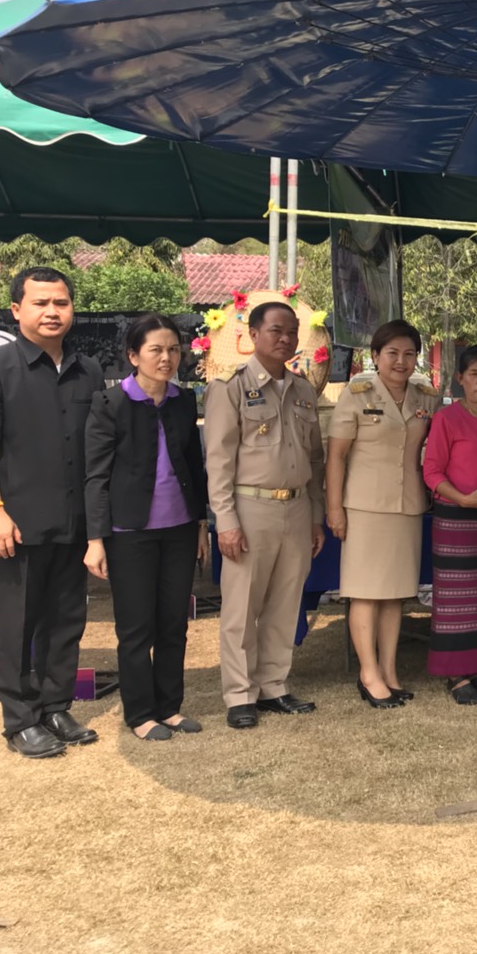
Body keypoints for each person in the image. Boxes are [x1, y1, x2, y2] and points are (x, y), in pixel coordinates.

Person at [0, 267, 103, 758]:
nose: (52, 312)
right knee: (16, 625)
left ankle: (55, 705)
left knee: (66, 620)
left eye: (62, 303)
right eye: (41, 302)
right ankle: (20, 719)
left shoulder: (87, 370)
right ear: (16, 310)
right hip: (14, 523)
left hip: (73, 521)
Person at [83, 314, 208, 741]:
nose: (167, 357)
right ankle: (140, 714)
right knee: (136, 627)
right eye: (155, 350)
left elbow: (195, 465)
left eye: (174, 349)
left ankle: (169, 707)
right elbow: (96, 476)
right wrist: (95, 539)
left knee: (174, 621)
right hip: (129, 533)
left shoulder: (183, 400)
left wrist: (201, 523)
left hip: (179, 527)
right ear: (133, 355)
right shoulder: (110, 404)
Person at [206, 300, 326, 730]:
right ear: (252, 335)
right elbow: (218, 461)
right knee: (242, 607)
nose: (285, 338)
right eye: (276, 330)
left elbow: (315, 460)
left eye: (292, 331)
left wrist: (315, 516)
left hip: (295, 507)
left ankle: (274, 685)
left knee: (284, 602)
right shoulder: (230, 387)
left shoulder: (304, 390)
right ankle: (240, 694)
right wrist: (226, 520)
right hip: (249, 507)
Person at [326, 319, 437, 709]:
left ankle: (389, 671)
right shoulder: (356, 394)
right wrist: (334, 509)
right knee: (365, 593)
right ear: (375, 356)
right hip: (364, 506)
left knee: (396, 595)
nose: (401, 361)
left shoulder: (425, 395)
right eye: (392, 353)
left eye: (409, 354)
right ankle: (368, 673)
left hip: (408, 504)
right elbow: (336, 456)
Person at [422, 346, 477, 704]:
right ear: (460, 378)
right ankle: (456, 675)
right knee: (456, 600)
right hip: (456, 519)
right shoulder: (446, 418)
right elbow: (431, 472)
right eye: (474, 374)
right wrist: (462, 499)